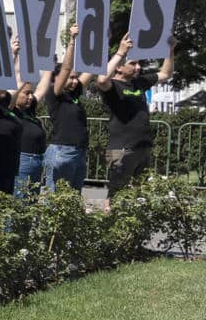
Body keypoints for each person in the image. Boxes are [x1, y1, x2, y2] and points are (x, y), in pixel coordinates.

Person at [94, 33, 178, 200]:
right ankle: (110, 221)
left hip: (143, 147)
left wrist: (170, 50)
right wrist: (120, 53)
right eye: (133, 63)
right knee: (116, 195)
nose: (138, 67)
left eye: (139, 63)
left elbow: (166, 74)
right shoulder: (114, 87)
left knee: (139, 195)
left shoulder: (139, 82)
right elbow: (102, 80)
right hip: (121, 149)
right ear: (119, 67)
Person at [40, 40, 92, 194]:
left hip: (79, 152)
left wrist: (103, 41)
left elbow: (92, 68)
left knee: (73, 198)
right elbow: (66, 68)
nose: (75, 81)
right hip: (62, 152)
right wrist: (72, 43)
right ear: (57, 78)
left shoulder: (74, 95)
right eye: (71, 77)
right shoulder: (54, 95)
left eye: (76, 77)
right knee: (56, 198)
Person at [13, 75, 47, 198]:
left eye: (31, 93)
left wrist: (48, 68)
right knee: (20, 201)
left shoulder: (29, 111)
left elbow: (42, 88)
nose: (30, 97)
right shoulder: (11, 111)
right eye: (26, 93)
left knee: (31, 203)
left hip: (36, 162)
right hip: (22, 162)